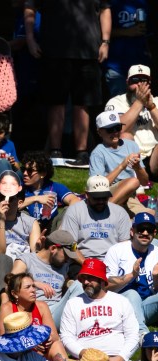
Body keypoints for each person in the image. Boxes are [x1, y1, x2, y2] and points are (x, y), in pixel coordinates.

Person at [24, 0, 110, 166]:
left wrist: (105, 42)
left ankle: (82, 153)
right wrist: (30, 39)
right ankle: (55, 151)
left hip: (87, 51)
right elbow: (29, 6)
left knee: (83, 103)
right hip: (54, 51)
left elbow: (105, 9)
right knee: (55, 102)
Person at [60, 258, 139, 361]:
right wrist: (83, 354)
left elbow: (133, 334)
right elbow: (66, 337)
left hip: (115, 359)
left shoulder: (121, 301)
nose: (86, 282)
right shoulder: (73, 304)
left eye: (90, 278)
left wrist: (121, 358)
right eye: (83, 278)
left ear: (102, 280)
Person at [61, 176, 134, 262]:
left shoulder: (120, 212)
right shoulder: (75, 211)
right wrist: (86, 263)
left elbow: (124, 244)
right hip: (83, 260)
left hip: (112, 262)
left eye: (104, 198)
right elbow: (70, 244)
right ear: (87, 194)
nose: (101, 201)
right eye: (96, 198)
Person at [105, 212, 158, 329]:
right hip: (120, 307)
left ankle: (139, 321)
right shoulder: (116, 250)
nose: (145, 233)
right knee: (132, 294)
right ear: (132, 231)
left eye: (149, 230)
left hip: (146, 306)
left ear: (154, 233)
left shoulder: (157, 252)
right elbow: (104, 285)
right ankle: (141, 333)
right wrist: (131, 275)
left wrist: (156, 278)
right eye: (141, 229)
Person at [91, 110, 149, 207]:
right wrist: (122, 166)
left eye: (118, 128)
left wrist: (138, 168)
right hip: (108, 195)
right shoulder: (97, 153)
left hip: (130, 196)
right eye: (110, 129)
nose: (115, 132)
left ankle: (114, 212)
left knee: (150, 217)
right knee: (134, 181)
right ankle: (105, 210)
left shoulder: (132, 145)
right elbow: (97, 187)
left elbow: (144, 182)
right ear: (99, 132)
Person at [18, 151, 82, 231]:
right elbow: (10, 207)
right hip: (28, 230)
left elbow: (75, 200)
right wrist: (36, 199)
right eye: (23, 169)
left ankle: (59, 238)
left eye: (30, 171)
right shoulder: (19, 188)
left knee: (67, 210)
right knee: (22, 212)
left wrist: (64, 224)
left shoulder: (54, 187)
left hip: (51, 228)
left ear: (43, 173)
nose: (24, 173)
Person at [106, 65, 157, 164]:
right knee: (125, 137)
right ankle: (133, 174)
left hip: (154, 156)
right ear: (127, 82)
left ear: (149, 83)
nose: (139, 84)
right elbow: (118, 130)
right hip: (131, 158)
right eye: (135, 80)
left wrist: (151, 107)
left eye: (143, 80)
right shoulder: (116, 102)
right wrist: (140, 102)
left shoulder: (156, 101)